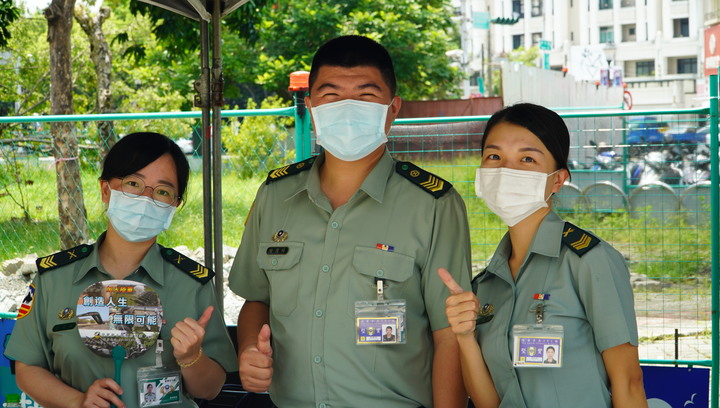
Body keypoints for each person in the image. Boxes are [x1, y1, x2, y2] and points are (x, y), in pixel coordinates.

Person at [229, 35, 471, 407]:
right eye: (331, 96)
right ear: (311, 107)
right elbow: (257, 298)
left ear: (392, 109)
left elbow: (448, 334)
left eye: (365, 95)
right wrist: (248, 349)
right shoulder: (276, 195)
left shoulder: (434, 204)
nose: (347, 108)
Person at [5, 132, 237, 408]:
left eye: (162, 191)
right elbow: (27, 369)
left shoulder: (191, 284)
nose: (146, 198)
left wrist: (191, 357)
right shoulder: (54, 279)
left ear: (174, 206)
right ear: (106, 190)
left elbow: (210, 389)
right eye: (133, 183)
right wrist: (79, 401)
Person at [438, 103, 647, 408]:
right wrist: (465, 335)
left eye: (527, 159)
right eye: (494, 156)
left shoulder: (589, 261)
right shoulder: (486, 284)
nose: (507, 170)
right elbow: (489, 402)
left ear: (558, 179)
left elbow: (629, 383)